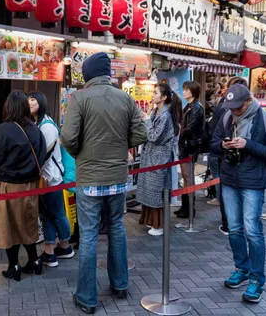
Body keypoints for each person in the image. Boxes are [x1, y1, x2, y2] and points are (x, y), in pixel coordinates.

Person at [62, 52, 147, 314]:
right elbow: (141, 133)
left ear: (87, 74)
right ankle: (120, 285)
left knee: (88, 236)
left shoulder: (79, 98)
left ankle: (87, 298)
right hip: (118, 178)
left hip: (89, 178)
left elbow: (68, 137)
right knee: (116, 229)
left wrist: (81, 156)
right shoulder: (125, 98)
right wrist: (121, 147)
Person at [211, 84, 266, 303]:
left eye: (238, 107)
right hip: (230, 179)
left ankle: (257, 279)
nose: (234, 111)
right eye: (230, 107)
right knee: (233, 228)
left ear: (248, 101)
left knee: (252, 230)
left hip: (253, 181)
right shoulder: (226, 117)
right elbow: (212, 143)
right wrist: (223, 145)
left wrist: (248, 144)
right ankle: (241, 268)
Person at [0, 91, 47, 281]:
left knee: (9, 227)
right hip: (30, 186)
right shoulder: (36, 129)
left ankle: (14, 266)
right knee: (27, 225)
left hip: (8, 187)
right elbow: (42, 155)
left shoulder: (3, 129)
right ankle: (35, 261)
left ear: (8, 107)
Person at [28, 91, 75, 267]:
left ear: (41, 101)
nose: (29, 102)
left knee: (55, 213)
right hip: (47, 177)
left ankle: (65, 246)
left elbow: (43, 154)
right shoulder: (38, 123)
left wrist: (32, 171)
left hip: (51, 177)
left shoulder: (46, 126)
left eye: (33, 99)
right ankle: (51, 250)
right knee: (47, 214)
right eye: (28, 100)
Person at [138, 84, 182, 236]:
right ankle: (151, 221)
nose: (152, 94)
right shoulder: (156, 111)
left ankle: (158, 225)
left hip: (158, 159)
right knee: (150, 191)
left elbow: (155, 136)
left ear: (164, 97)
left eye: (155, 92)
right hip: (151, 158)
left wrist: (146, 121)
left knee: (156, 192)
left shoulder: (165, 116)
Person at [208, 76, 248, 235]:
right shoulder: (225, 110)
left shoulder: (262, 117)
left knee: (226, 188)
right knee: (232, 189)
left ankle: (228, 222)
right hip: (232, 159)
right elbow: (215, 138)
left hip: (229, 160)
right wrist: (221, 144)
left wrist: (247, 145)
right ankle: (233, 222)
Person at [175, 80, 205, 219]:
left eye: (187, 89)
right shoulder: (188, 106)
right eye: (184, 89)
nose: (184, 92)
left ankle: (189, 208)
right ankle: (185, 206)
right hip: (185, 145)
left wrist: (176, 133)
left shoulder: (197, 108)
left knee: (188, 177)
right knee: (186, 177)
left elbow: (190, 127)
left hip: (191, 146)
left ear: (193, 91)